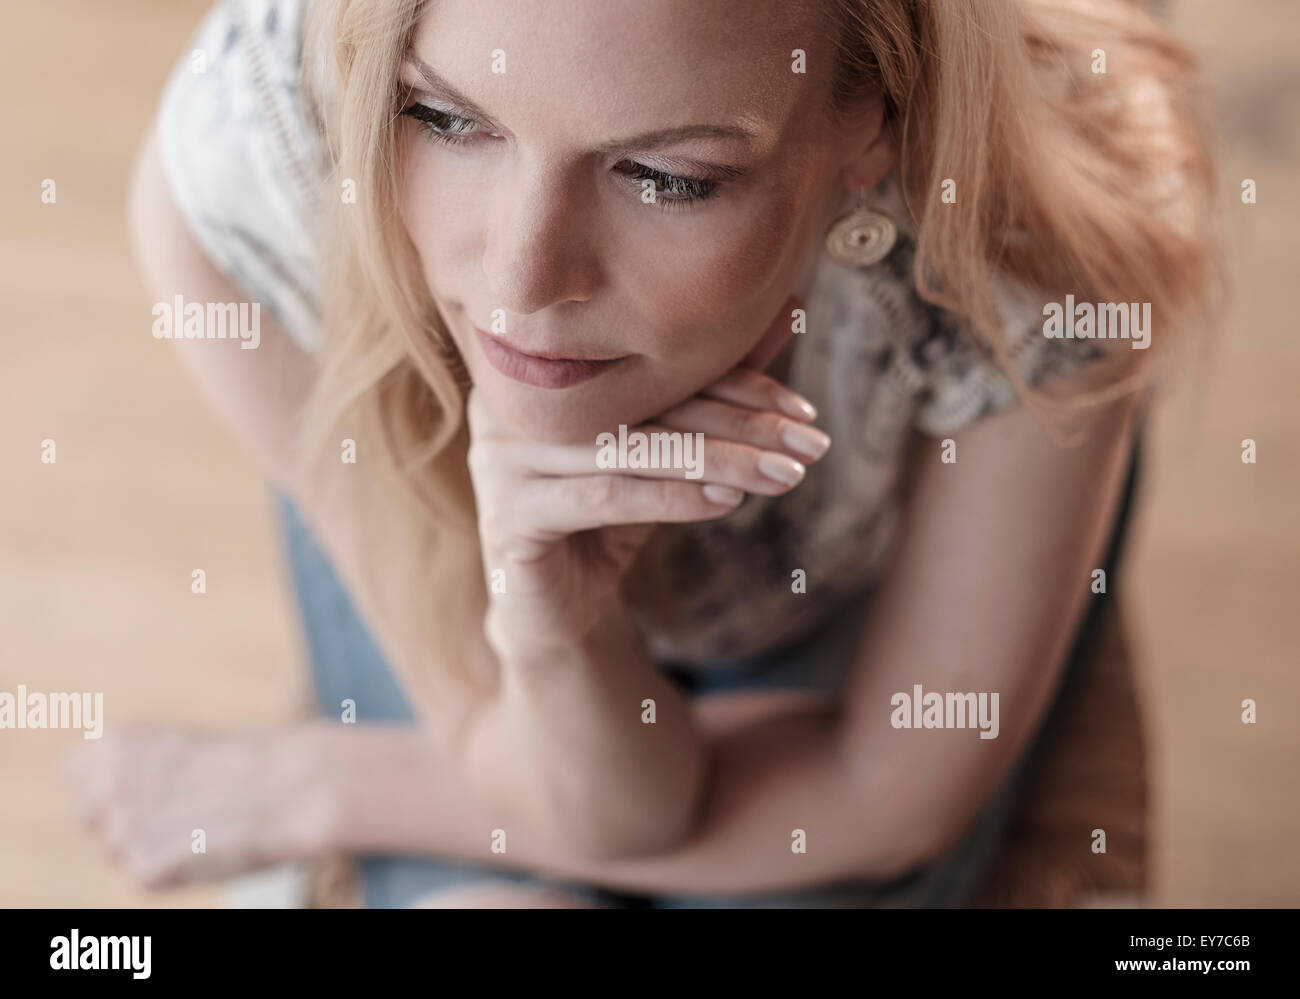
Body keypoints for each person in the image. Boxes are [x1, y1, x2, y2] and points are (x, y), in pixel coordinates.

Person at [88, 0, 1216, 907]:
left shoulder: (1036, 235)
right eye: (445, 117)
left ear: (871, 123)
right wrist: (549, 631)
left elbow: (881, 795)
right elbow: (600, 799)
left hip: (832, 606)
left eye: (667, 178)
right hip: (486, 608)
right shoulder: (250, 171)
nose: (519, 290)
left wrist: (322, 788)